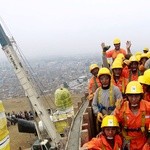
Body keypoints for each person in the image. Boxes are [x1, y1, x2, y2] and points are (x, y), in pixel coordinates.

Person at [114, 81, 150, 150]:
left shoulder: (147, 107)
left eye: (136, 96)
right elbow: (113, 123)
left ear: (141, 96)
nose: (133, 99)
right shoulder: (121, 108)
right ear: (127, 96)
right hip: (127, 142)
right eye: (131, 96)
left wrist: (148, 142)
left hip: (144, 141)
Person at [92, 67, 122, 132]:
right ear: (99, 80)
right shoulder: (98, 91)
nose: (104, 81)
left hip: (114, 117)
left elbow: (120, 104)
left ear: (109, 78)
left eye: (106, 78)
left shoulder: (115, 89)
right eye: (102, 79)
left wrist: (112, 115)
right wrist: (98, 113)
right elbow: (94, 104)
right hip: (102, 118)